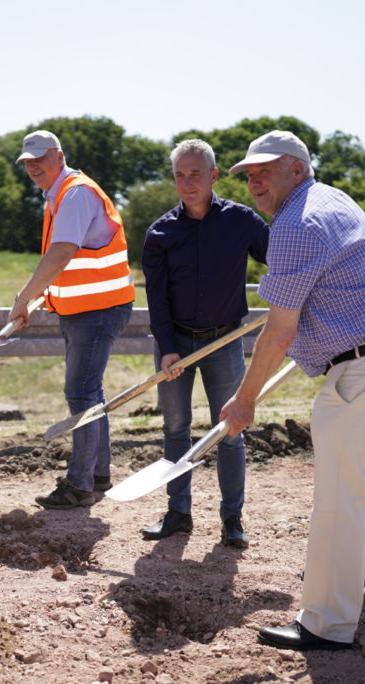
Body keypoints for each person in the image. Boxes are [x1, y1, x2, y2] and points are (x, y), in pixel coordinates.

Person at [219, 131, 365, 650]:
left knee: (337, 495)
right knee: (354, 480)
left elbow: (280, 329)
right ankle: (360, 571)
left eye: (266, 170)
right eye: (249, 174)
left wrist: (244, 400)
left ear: (297, 168)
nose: (255, 181)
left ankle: (327, 622)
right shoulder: (332, 200)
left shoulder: (294, 223)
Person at [140, 139, 269, 546]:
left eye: (196, 173)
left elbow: (282, 257)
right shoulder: (160, 232)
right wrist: (167, 347)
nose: (187, 182)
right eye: (180, 175)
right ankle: (178, 514)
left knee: (230, 428)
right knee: (175, 428)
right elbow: (156, 297)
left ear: (214, 175)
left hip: (225, 341)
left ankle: (233, 520)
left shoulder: (242, 221)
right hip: (175, 342)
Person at [8, 130, 135, 509]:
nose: (33, 167)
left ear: (59, 157)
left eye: (39, 159)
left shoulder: (75, 193)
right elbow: (71, 264)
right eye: (27, 162)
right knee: (90, 392)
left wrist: (24, 297)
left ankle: (79, 485)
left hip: (98, 310)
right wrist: (46, 297)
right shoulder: (60, 194)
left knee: (81, 392)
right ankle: (97, 474)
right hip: (88, 308)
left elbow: (62, 253)